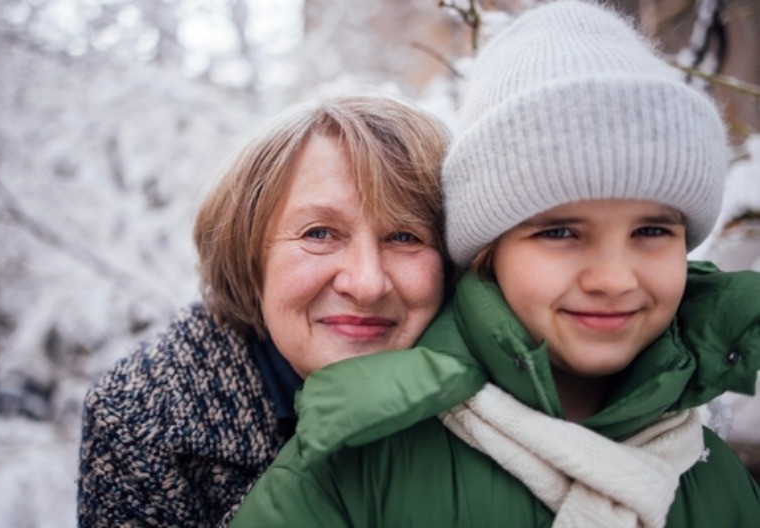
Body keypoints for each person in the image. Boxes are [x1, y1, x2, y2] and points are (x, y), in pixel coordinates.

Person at [232, 2, 760, 526]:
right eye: (559, 232)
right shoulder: (353, 469)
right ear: (486, 251)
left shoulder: (718, 478)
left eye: (651, 231)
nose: (613, 279)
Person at [76, 93, 453, 527]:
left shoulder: (514, 383)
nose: (366, 284)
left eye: (405, 236)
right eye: (319, 233)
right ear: (250, 254)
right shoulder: (140, 419)